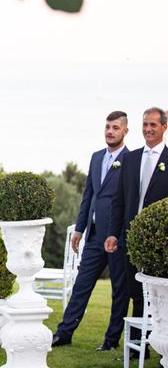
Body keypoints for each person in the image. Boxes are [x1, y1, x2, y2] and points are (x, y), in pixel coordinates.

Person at [51, 111, 129, 350]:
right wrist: (80, 228)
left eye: (116, 127)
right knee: (81, 285)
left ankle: (111, 340)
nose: (110, 131)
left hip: (118, 237)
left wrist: (120, 233)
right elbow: (89, 196)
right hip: (95, 235)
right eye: (108, 127)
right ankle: (64, 333)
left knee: (119, 290)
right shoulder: (96, 158)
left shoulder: (131, 160)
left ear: (125, 131)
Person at [106, 107, 168, 349]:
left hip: (160, 241)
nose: (148, 129)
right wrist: (113, 233)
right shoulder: (130, 159)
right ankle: (135, 348)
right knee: (135, 292)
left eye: (153, 125)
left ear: (164, 127)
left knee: (158, 294)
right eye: (145, 124)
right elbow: (118, 200)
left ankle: (159, 343)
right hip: (131, 238)